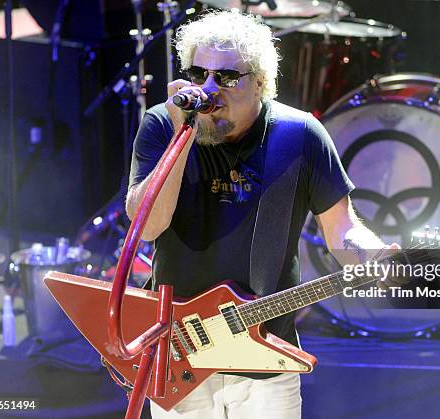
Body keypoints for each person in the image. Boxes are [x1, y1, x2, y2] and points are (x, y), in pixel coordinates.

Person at [126, 10, 398, 419]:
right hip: (179, 351)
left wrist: (373, 256)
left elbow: (342, 229)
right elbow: (147, 227)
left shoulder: (300, 135)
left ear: (260, 82)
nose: (210, 89)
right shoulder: (163, 125)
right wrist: (183, 134)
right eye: (199, 74)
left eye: (228, 78)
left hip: (265, 359)